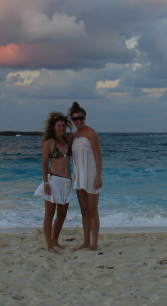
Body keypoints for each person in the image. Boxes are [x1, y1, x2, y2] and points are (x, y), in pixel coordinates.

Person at [34, 112, 72, 254]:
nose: (61, 128)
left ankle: (55, 241)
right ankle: (49, 246)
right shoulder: (49, 143)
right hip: (53, 181)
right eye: (59, 126)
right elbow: (44, 164)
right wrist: (45, 183)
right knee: (49, 214)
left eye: (63, 126)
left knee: (62, 215)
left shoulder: (69, 141)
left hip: (67, 182)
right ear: (53, 127)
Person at [69, 102, 102, 251]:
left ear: (85, 117)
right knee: (84, 211)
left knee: (92, 210)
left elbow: (98, 155)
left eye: (81, 118)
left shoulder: (91, 133)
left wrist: (98, 177)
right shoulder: (73, 136)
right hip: (79, 176)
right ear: (72, 120)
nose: (78, 121)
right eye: (75, 119)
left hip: (91, 175)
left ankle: (94, 243)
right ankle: (86, 242)